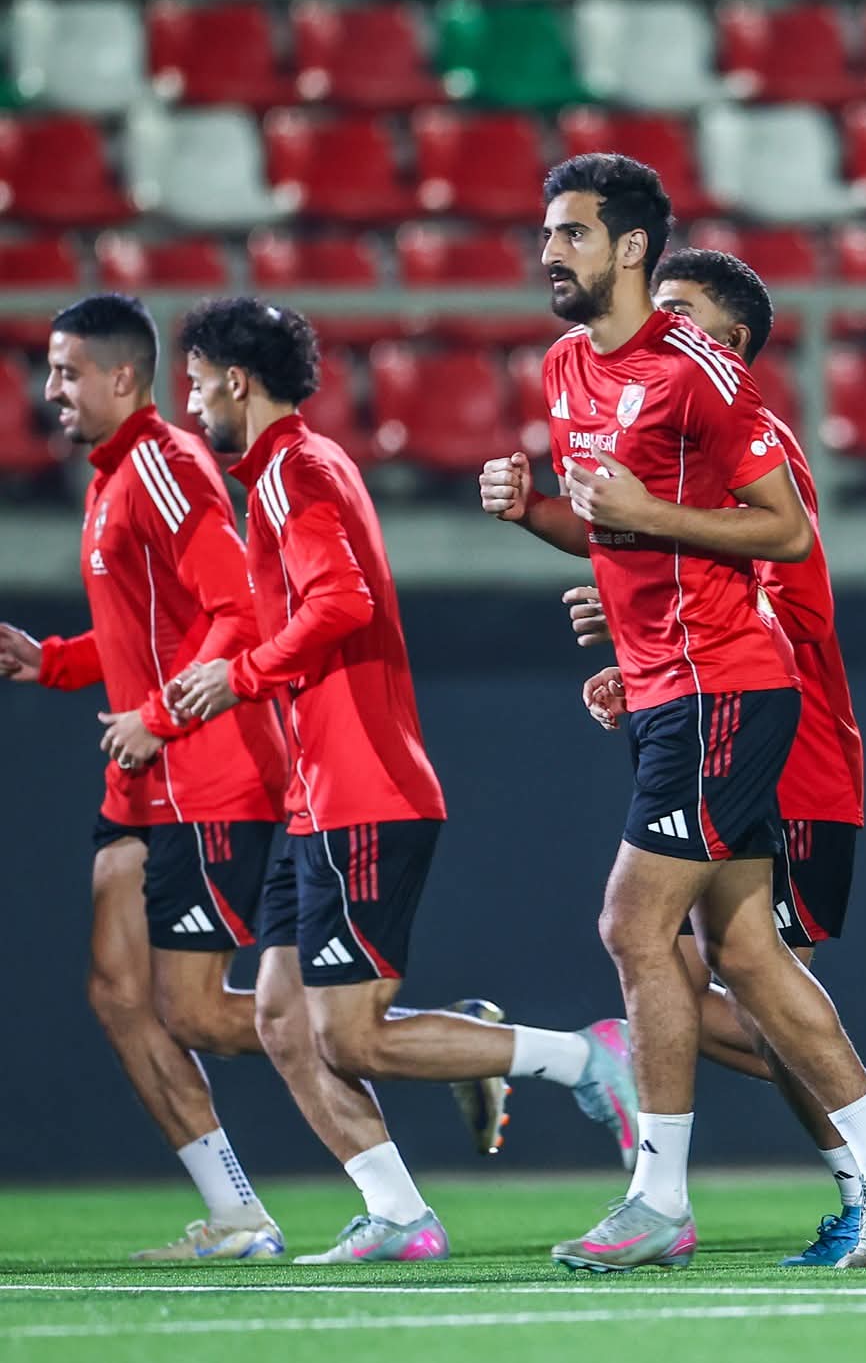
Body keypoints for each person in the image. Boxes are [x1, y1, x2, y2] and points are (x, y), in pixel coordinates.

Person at [477, 152, 866, 1271]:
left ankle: (659, 1199)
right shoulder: (563, 367)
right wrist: (537, 510)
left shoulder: (699, 370)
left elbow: (785, 531)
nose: (552, 253)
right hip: (665, 690)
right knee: (738, 946)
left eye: (574, 234)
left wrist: (647, 513)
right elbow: (616, 531)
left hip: (725, 687)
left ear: (632, 246)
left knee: (631, 926)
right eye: (548, 234)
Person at [166, 296, 637, 1265]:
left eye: (197, 377)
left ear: (235, 380)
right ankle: (398, 1213)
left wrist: (241, 672)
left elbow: (340, 599)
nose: (193, 396)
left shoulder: (297, 467)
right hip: (318, 793)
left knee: (352, 1033)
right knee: (283, 1018)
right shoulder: (285, 472)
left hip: (362, 786)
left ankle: (589, 1058)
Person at [0, 292, 291, 1261]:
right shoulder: (111, 477)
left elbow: (236, 610)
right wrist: (55, 660)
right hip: (140, 784)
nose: (51, 390)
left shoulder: (165, 465)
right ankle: (238, 1212)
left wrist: (158, 718)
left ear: (125, 376)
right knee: (119, 995)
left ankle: (489, 1048)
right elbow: (143, 638)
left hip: (200, 774)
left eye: (66, 370)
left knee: (201, 1010)